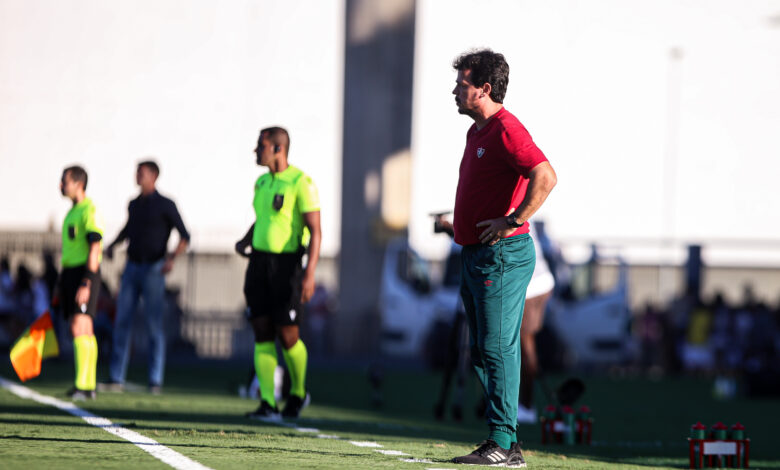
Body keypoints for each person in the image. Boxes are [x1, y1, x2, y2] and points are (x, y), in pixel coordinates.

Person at [449, 49, 557, 466]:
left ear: (485, 89)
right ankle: (502, 440)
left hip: (501, 255)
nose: (456, 90)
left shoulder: (506, 129)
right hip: (475, 254)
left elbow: (545, 176)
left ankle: (505, 443)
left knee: (496, 348)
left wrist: (513, 220)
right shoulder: (477, 132)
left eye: (463, 84)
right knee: (481, 350)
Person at [235, 126, 321, 420]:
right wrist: (246, 240)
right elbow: (263, 220)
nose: (255, 151)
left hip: (287, 268)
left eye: (260, 145)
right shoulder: (260, 183)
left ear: (277, 148)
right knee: (261, 332)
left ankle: (298, 394)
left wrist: (309, 274)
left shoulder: (301, 182)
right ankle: (268, 403)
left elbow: (316, 231)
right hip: (258, 264)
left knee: (287, 335)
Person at [102, 160, 190, 394]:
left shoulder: (166, 204)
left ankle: (155, 381)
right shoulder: (133, 204)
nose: (137, 176)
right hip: (131, 269)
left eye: (141, 173)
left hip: (154, 270)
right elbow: (127, 230)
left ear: (154, 176)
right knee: (121, 322)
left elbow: (184, 236)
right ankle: (116, 377)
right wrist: (112, 245)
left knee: (154, 327)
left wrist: (171, 258)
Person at [58, 165, 105, 400]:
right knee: (83, 328)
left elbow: (95, 245)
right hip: (71, 274)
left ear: (78, 183)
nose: (60, 186)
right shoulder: (72, 212)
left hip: (84, 273)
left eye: (64, 181)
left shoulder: (89, 209)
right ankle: (88, 386)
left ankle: (83, 385)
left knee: (80, 326)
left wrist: (87, 280)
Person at [516, 222, 555, 424]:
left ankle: (527, 407)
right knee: (524, 346)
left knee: (526, 346)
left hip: (532, 286)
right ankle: (524, 404)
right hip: (541, 282)